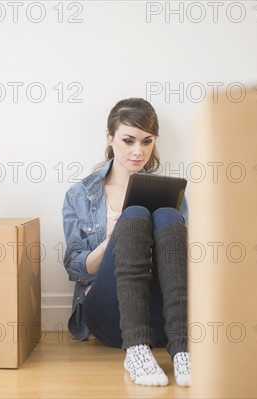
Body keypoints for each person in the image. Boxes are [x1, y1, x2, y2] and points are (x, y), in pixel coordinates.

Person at [61, 98, 191, 387]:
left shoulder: (169, 195)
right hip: (108, 319)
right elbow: (75, 268)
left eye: (147, 141)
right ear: (109, 138)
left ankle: (182, 349)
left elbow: (182, 265)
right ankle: (136, 351)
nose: (138, 151)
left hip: (161, 321)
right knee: (133, 214)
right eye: (128, 140)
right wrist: (113, 239)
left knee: (168, 215)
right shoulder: (81, 195)